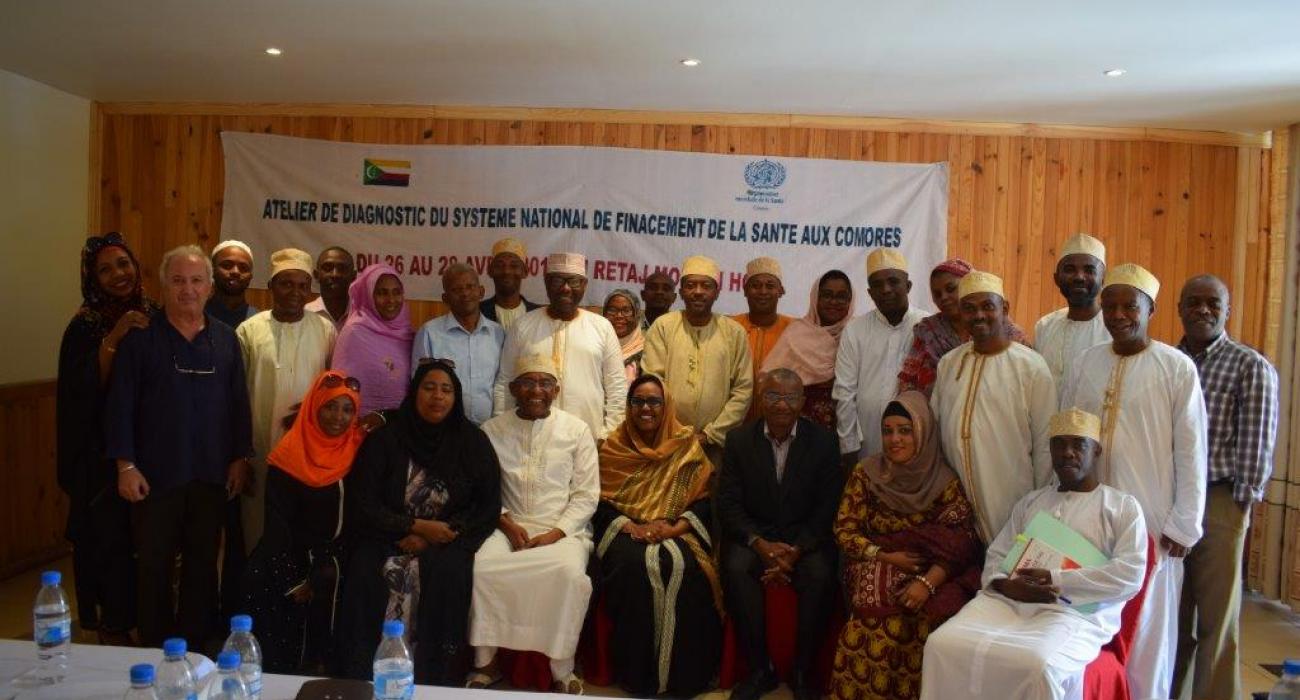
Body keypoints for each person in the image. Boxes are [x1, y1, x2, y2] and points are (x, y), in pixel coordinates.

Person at [919, 408, 1148, 700]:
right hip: (1007, 602)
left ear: (1097, 450)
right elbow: (997, 555)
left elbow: (1130, 574)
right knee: (942, 644)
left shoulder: (1121, 507)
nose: (1067, 453)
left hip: (1073, 613)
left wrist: (1057, 580)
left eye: (1079, 445)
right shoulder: (1032, 502)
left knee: (1038, 665)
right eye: (1059, 445)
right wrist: (1004, 584)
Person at [1060, 263, 1207, 700]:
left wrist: (1184, 522)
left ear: (1151, 309)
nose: (1119, 314)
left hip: (1153, 522)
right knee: (1087, 623)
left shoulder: (1175, 367)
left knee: (1147, 633)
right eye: (1111, 305)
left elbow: (1192, 450)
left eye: (1130, 305)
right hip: (1089, 519)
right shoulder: (1085, 363)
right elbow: (1066, 437)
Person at [104, 244, 253, 648]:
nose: (187, 289)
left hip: (210, 474)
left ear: (209, 287)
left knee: (204, 565)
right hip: (154, 477)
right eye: (178, 280)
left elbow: (239, 403)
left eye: (196, 281)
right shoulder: (141, 341)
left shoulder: (226, 341)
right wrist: (125, 466)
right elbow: (119, 407)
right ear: (163, 286)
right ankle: (155, 646)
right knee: (153, 566)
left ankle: (197, 644)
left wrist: (240, 457)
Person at [336, 360, 501, 684]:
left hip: (447, 537)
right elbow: (364, 502)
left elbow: (486, 505)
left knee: (448, 573)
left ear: (456, 397)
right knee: (367, 567)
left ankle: (434, 676)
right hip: (387, 532)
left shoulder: (472, 441)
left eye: (446, 390)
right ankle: (364, 673)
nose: (437, 396)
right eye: (429, 387)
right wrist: (413, 527)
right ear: (414, 392)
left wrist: (436, 535)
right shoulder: (386, 439)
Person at [828, 391, 982, 700]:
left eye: (905, 430)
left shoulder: (944, 481)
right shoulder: (866, 474)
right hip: (877, 560)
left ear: (923, 432)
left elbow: (962, 541)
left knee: (934, 615)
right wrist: (884, 556)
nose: (894, 439)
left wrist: (927, 582)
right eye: (888, 431)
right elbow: (844, 529)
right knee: (874, 607)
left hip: (933, 570)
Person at [1171, 275, 1277, 700]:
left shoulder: (1249, 365)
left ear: (1227, 310)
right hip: (1173, 498)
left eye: (1213, 303)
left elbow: (1257, 442)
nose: (1203, 310)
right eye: (1193, 302)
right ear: (1179, 309)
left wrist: (1239, 508)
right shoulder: (1168, 360)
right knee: (1173, 612)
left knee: (1217, 614)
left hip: (1220, 498)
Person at [469, 355, 599, 694]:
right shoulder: (492, 430)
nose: (535, 391)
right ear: (513, 389)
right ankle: (486, 663)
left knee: (568, 575)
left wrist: (554, 533)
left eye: (544, 383)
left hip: (563, 529)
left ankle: (561, 669)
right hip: (504, 524)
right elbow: (480, 490)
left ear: (556, 390)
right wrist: (508, 525)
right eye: (527, 382)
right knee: (482, 568)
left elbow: (586, 495)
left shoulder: (577, 430)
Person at [56, 232, 160, 645]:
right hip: (99, 461)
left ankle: (149, 628)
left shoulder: (155, 311)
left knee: (149, 549)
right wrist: (114, 337)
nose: (118, 274)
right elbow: (81, 392)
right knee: (109, 548)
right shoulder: (84, 324)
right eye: (105, 269)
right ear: (91, 278)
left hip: (151, 452)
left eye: (123, 264)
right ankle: (113, 632)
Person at [717, 369, 843, 700]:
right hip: (755, 536)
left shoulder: (825, 442)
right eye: (773, 396)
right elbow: (728, 504)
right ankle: (761, 670)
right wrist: (759, 544)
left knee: (821, 573)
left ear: (803, 402)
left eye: (790, 397)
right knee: (734, 567)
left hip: (805, 539)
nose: (782, 405)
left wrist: (796, 550)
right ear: (761, 400)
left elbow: (827, 507)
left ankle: (803, 672)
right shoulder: (738, 441)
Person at [594, 375, 723, 696]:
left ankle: (686, 677)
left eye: (654, 401)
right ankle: (639, 675)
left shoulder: (686, 445)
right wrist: (631, 526)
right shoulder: (614, 447)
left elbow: (705, 499)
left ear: (666, 406)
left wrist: (675, 527)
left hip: (677, 527)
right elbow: (599, 501)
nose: (646, 409)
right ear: (629, 407)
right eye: (638, 401)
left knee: (688, 571)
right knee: (635, 568)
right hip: (627, 530)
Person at [241, 370, 365, 673]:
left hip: (339, 552)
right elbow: (277, 523)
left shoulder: (357, 448)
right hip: (290, 551)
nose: (338, 417)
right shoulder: (289, 454)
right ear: (313, 407)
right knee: (268, 584)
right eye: (330, 407)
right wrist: (292, 579)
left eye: (348, 409)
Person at [930, 271, 1056, 543]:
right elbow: (937, 426)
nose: (978, 316)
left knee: (1008, 568)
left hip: (1013, 495)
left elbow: (1046, 444)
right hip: (957, 498)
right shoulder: (949, 363)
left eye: (988, 306)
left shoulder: (1031, 366)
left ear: (1005, 309)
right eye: (969, 308)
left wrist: (1038, 506)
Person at [237, 248, 337, 553]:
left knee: (302, 529)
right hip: (259, 447)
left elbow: (332, 390)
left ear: (310, 289)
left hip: (309, 449)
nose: (295, 292)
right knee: (258, 528)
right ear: (270, 286)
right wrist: (240, 455)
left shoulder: (325, 329)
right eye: (286, 283)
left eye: (302, 285)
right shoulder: (249, 330)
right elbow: (236, 397)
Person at [493, 252, 626, 440]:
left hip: (589, 438)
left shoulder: (602, 327)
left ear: (585, 285)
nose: (565, 288)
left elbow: (617, 387)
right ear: (546, 283)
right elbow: (505, 381)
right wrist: (502, 430)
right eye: (557, 281)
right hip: (528, 437)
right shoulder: (523, 326)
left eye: (574, 281)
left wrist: (608, 435)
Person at [643, 255, 753, 466]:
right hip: (667, 440)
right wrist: (672, 430)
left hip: (715, 445)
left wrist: (711, 434)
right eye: (691, 285)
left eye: (706, 286)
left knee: (710, 495)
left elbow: (743, 390)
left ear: (717, 292)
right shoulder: (664, 326)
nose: (698, 291)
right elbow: (653, 382)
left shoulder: (733, 332)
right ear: (682, 292)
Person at [833, 248, 926, 471]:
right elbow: (844, 392)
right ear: (870, 292)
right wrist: (849, 447)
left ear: (908, 286)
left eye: (893, 281)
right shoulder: (855, 330)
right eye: (877, 284)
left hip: (919, 442)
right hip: (868, 443)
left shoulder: (927, 326)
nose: (885, 289)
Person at [897, 258, 1028, 397]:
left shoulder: (1011, 335)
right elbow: (909, 382)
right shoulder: (929, 331)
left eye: (951, 289)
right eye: (937, 294)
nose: (944, 297)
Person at [762, 269, 855, 432]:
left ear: (850, 300)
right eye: (826, 295)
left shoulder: (857, 333)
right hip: (798, 425)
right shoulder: (796, 332)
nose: (834, 301)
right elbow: (769, 378)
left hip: (849, 424)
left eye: (841, 296)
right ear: (815, 298)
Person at [413, 264, 505, 425]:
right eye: (456, 289)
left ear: (481, 292)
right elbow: (419, 383)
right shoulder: (430, 333)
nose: (465, 294)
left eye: (470, 287)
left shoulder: (498, 333)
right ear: (445, 298)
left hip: (490, 429)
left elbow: (502, 382)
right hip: (445, 429)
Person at [332, 263, 414, 416]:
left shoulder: (407, 333)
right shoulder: (355, 332)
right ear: (368, 295)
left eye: (396, 292)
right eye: (382, 293)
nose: (391, 300)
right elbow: (340, 387)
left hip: (399, 425)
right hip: (359, 425)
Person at [1034, 233, 1110, 391]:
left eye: (1089, 270)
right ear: (1056, 278)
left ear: (1103, 279)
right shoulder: (1045, 326)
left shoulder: (1112, 330)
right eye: (1070, 270)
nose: (1079, 277)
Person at [731, 257, 792, 422]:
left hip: (779, 424)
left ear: (781, 291)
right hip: (733, 424)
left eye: (770, 286)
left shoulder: (794, 330)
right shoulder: (729, 327)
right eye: (755, 285)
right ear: (745, 290)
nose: (763, 291)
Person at [479, 237, 540, 331]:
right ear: (490, 271)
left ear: (525, 272)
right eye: (499, 266)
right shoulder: (477, 312)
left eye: (514, 266)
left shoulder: (537, 314)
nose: (506, 271)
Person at [205, 240, 258, 329]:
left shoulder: (259, 321)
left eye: (243, 268)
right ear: (212, 271)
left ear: (250, 276)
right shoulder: (194, 314)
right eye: (227, 265)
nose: (235, 272)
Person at [305, 246, 356, 329]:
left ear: (354, 276)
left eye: (342, 269)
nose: (334, 274)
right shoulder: (305, 314)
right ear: (316, 275)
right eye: (327, 268)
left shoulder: (363, 316)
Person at [603, 288, 645, 383]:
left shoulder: (646, 352)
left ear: (636, 315)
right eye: (612, 310)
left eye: (626, 311)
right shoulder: (595, 346)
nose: (619, 316)